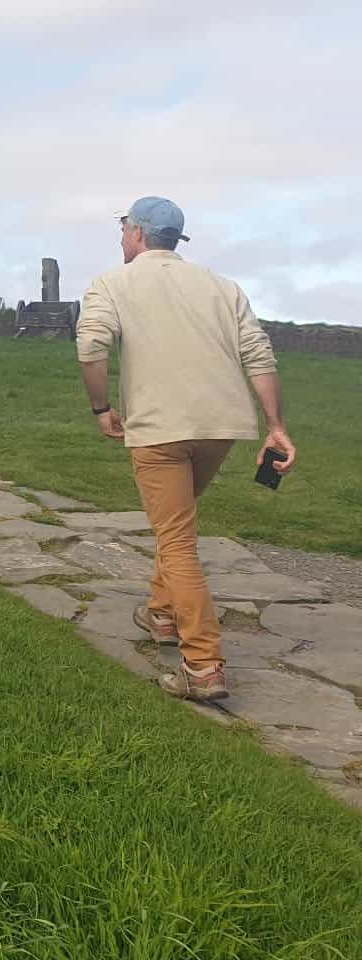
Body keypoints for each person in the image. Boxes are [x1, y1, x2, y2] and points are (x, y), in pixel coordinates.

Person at [75, 196, 296, 703]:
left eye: (123, 229)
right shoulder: (223, 287)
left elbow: (91, 349)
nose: (122, 237)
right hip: (221, 427)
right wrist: (276, 425)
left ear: (135, 234)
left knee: (176, 540)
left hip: (158, 429)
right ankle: (161, 613)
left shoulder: (112, 283)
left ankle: (203, 665)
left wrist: (100, 407)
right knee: (176, 521)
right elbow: (258, 354)